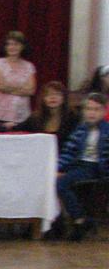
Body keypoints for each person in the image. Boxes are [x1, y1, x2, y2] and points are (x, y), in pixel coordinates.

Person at [56, 93, 109, 240]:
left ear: (104, 111)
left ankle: (80, 220)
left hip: (98, 167)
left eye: (96, 109)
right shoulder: (80, 130)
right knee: (58, 182)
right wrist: (58, 169)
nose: (92, 113)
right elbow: (69, 152)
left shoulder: (107, 130)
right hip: (81, 166)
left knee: (62, 184)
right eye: (89, 109)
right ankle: (75, 220)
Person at [0, 30, 36, 127]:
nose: (12, 47)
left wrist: (8, 87)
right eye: (9, 44)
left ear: (22, 46)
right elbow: (0, 86)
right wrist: (21, 88)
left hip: (22, 115)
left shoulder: (29, 66)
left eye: (16, 44)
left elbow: (31, 91)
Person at [17, 81, 79, 150]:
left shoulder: (73, 118)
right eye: (48, 94)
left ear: (64, 98)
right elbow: (18, 129)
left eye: (57, 94)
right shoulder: (35, 118)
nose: (53, 97)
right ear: (43, 99)